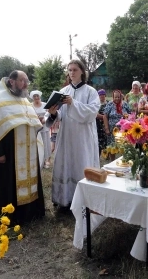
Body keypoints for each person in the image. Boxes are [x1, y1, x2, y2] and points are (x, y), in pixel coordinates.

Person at [0, 71, 45, 225]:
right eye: (22, 81)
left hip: (28, 152)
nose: (26, 84)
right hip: (9, 154)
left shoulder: (24, 102)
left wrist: (38, 122)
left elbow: (32, 124)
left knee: (30, 181)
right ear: (11, 82)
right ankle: (12, 218)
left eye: (27, 81)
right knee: (9, 184)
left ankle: (31, 213)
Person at [46, 60, 100, 209]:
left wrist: (73, 103)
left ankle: (84, 202)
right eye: (69, 70)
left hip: (83, 136)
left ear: (82, 71)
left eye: (75, 70)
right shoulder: (63, 92)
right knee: (66, 163)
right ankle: (64, 199)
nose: (72, 73)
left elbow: (91, 113)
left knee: (82, 163)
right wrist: (53, 113)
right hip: (66, 135)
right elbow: (60, 115)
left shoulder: (91, 91)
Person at [103, 90, 131, 161]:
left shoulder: (124, 104)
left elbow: (130, 114)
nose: (117, 99)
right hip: (112, 129)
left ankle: (124, 160)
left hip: (123, 129)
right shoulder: (110, 104)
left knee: (124, 145)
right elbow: (105, 116)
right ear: (113, 97)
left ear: (121, 97)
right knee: (112, 146)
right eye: (115, 97)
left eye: (118, 97)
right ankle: (112, 161)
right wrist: (106, 128)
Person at [30, 90, 52, 169]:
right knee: (37, 144)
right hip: (35, 128)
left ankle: (46, 161)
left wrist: (44, 119)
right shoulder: (30, 106)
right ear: (32, 98)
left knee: (45, 144)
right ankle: (37, 161)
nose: (36, 97)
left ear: (39, 96)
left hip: (44, 127)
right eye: (34, 96)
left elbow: (48, 113)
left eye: (37, 96)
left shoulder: (45, 105)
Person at [96, 89, 108, 156]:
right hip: (98, 125)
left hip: (107, 125)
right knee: (99, 141)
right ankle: (99, 154)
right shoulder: (96, 104)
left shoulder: (108, 103)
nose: (102, 96)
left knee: (107, 141)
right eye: (100, 95)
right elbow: (96, 115)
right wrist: (105, 117)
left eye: (103, 95)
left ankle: (107, 154)